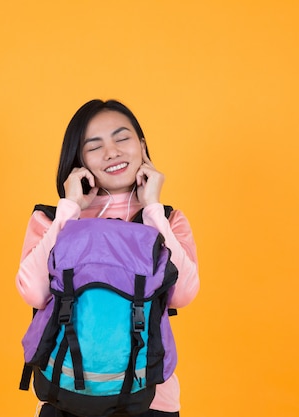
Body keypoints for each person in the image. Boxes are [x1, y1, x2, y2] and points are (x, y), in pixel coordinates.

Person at [16, 99, 200, 417]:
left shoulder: (166, 220)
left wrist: (153, 208)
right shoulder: (53, 219)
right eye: (94, 145)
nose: (112, 151)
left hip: (151, 398)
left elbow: (182, 294)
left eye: (122, 137)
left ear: (142, 145)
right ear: (79, 159)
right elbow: (34, 291)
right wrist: (70, 207)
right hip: (65, 393)